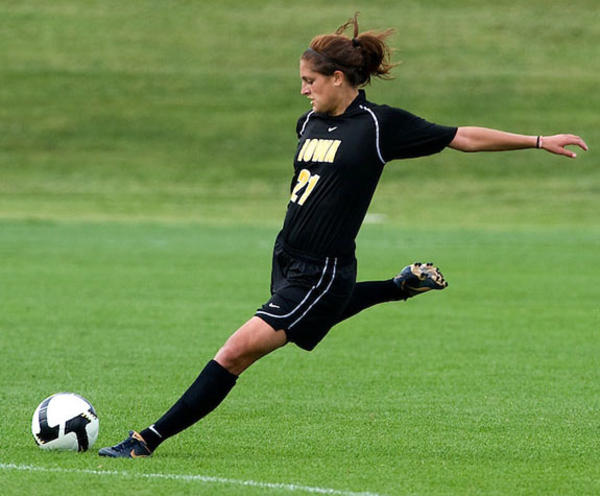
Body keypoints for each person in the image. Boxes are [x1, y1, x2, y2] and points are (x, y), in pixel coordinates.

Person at [98, 14, 588, 458]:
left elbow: (461, 136)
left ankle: (146, 440)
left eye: (310, 81)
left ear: (338, 79)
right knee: (310, 318)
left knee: (236, 351)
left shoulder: (380, 125)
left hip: (324, 268)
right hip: (288, 257)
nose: (304, 91)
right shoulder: (308, 121)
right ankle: (398, 287)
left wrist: (538, 141)